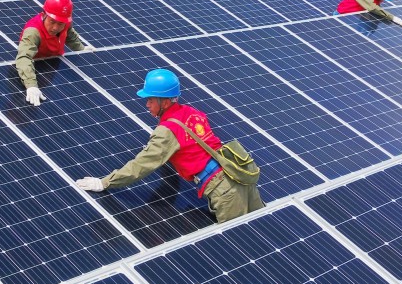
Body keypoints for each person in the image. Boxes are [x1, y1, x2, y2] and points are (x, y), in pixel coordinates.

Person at [74, 69, 264, 223]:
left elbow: (142, 165)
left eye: (150, 99)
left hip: (224, 190)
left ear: (164, 102)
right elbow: (194, 146)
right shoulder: (192, 112)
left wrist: (105, 182)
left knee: (240, 239)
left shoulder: (168, 131)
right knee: (259, 228)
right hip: (239, 177)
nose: (147, 104)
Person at [15, 0, 94, 105]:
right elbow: (24, 57)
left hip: (56, 66)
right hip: (36, 69)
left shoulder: (65, 23)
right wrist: (31, 85)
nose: (55, 28)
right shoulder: (33, 32)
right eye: (52, 22)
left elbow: (69, 34)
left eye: (60, 24)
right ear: (44, 14)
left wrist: (80, 49)